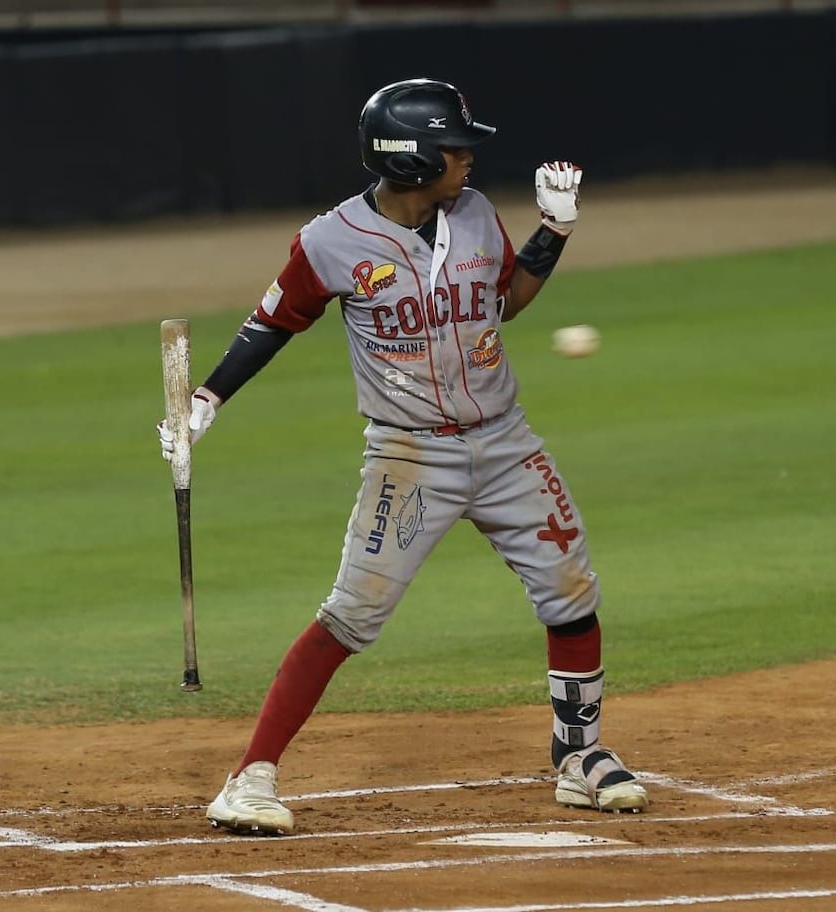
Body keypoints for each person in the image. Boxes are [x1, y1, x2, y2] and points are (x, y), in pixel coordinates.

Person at [157, 77, 648, 836]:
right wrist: (206, 402)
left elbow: (505, 302)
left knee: (570, 585)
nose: (469, 158)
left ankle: (579, 759)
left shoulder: (477, 214)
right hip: (411, 455)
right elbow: (271, 322)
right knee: (351, 614)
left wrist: (554, 233)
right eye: (456, 147)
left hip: (505, 440)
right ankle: (249, 778)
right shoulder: (330, 241)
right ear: (414, 159)